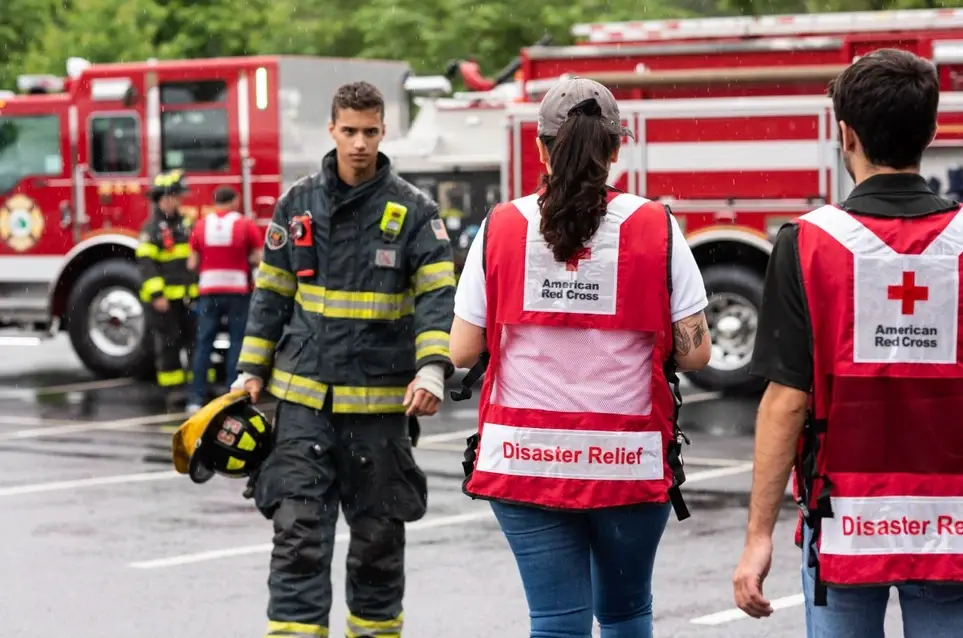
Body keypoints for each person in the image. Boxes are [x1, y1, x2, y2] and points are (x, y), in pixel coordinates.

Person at [449, 77, 712, 638]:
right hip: (630, 461)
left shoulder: (501, 227)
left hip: (523, 460)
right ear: (616, 148)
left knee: (555, 623)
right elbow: (694, 354)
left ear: (541, 148)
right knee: (624, 615)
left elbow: (463, 350)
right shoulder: (656, 226)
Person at [733, 48, 963, 638]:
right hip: (953, 519)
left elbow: (786, 402)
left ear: (845, 134)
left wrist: (759, 536)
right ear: (932, 131)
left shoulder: (807, 243)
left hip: (843, 517)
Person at [234, 81, 456, 638]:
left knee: (379, 541)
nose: (360, 143)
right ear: (331, 130)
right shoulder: (297, 204)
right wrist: (251, 369)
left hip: (379, 414)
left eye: (371, 132)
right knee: (298, 536)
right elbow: (271, 294)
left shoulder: (413, 211)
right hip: (302, 405)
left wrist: (432, 368)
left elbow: (437, 299)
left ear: (385, 132)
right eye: (350, 131)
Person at [185, 186, 262, 413]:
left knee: (204, 343)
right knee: (237, 342)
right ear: (235, 201)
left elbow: (191, 262)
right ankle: (232, 394)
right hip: (237, 291)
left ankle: (196, 397)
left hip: (209, 291)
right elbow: (259, 258)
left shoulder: (201, 225)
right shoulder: (245, 224)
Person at [136, 170, 198, 408]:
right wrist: (157, 295)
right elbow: (147, 266)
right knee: (169, 344)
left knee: (194, 341)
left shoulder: (184, 223)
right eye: (176, 196)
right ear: (164, 198)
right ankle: (173, 389)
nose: (180, 201)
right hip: (165, 300)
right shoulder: (151, 229)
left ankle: (196, 385)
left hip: (186, 296)